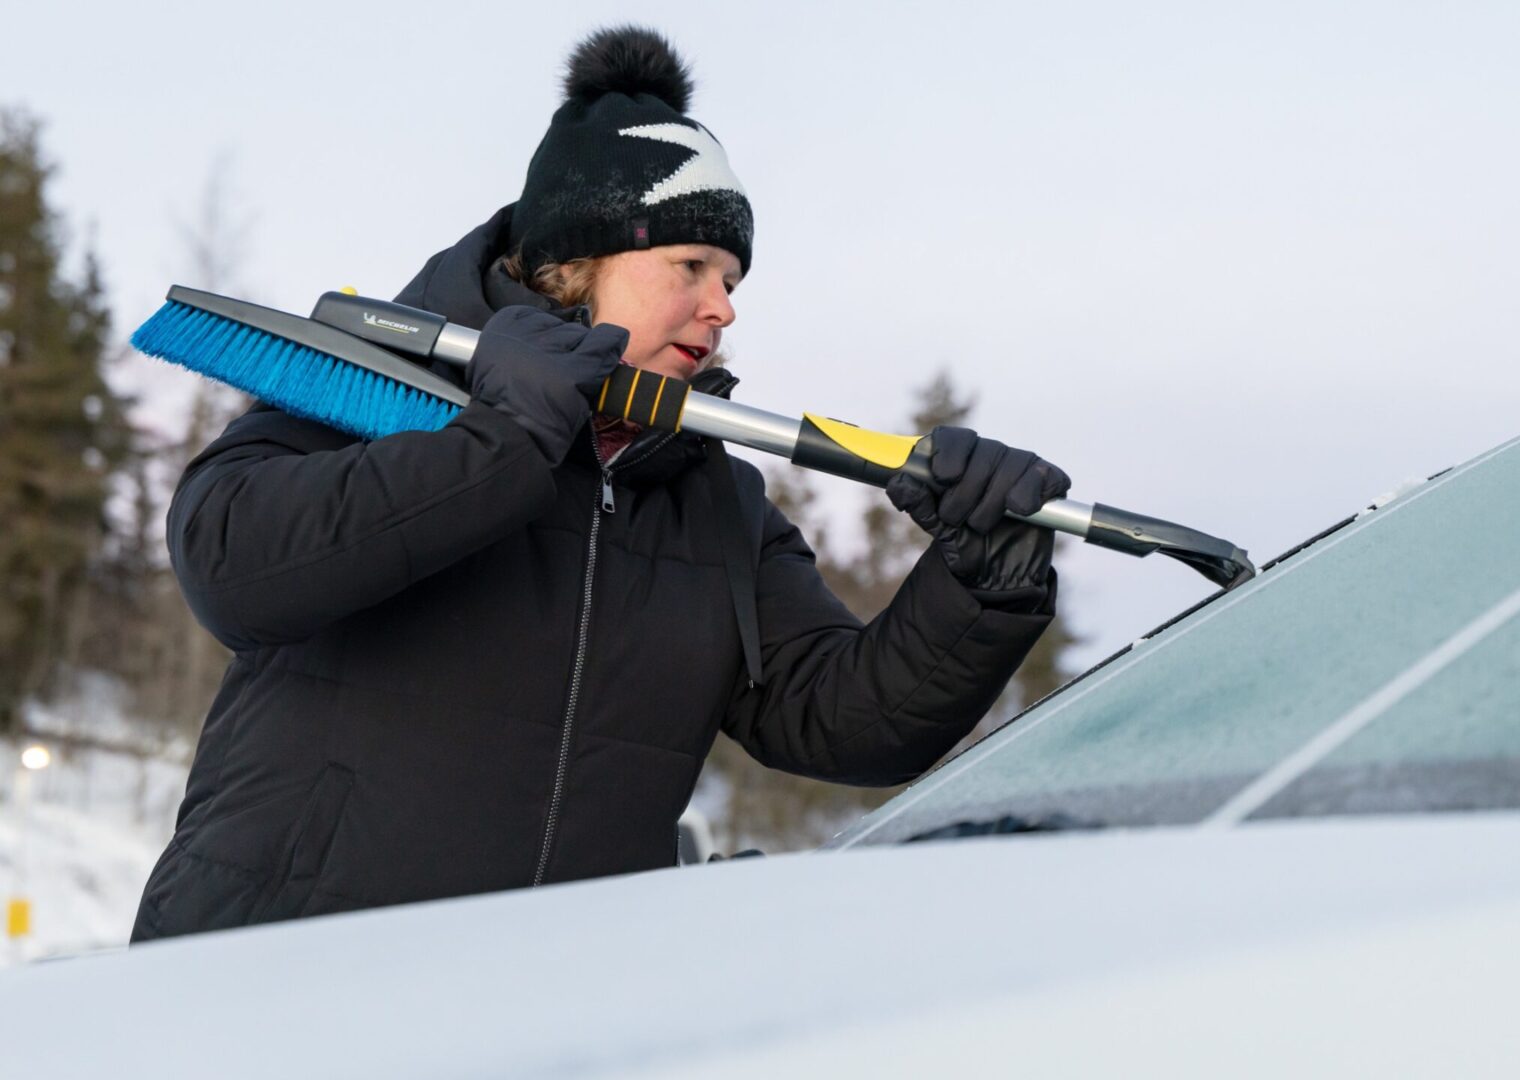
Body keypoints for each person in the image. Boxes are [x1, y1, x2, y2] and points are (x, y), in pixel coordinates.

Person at [131, 26, 1069, 941]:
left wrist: (980, 584)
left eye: (733, 276)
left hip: (553, 1014)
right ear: (574, 263)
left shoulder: (710, 502)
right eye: (691, 265)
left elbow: (845, 722)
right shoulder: (374, 386)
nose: (724, 305)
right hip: (275, 994)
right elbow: (231, 564)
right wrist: (503, 441)